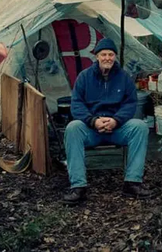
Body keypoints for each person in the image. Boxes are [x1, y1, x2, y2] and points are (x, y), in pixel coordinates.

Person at [63, 38, 151, 204]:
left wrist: (116, 120)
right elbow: (76, 104)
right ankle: (78, 187)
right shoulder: (84, 77)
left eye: (111, 54)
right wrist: (93, 121)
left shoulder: (124, 77)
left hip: (117, 128)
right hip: (92, 130)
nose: (107, 58)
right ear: (97, 56)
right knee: (73, 128)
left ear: (115, 57)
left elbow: (130, 103)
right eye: (103, 54)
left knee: (140, 127)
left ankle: (132, 182)